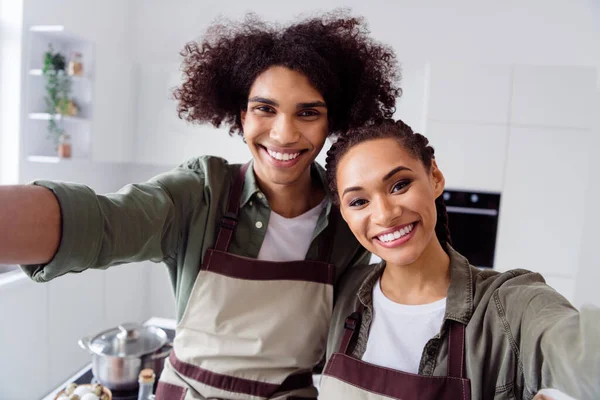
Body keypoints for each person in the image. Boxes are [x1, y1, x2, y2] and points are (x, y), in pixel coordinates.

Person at [0, 12, 401, 400]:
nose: (284, 133)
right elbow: (102, 222)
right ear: (241, 116)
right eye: (265, 108)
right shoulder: (201, 193)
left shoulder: (352, 217)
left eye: (308, 113)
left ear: (331, 123)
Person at [319, 119, 600, 400]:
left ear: (435, 178)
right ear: (344, 213)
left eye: (399, 185)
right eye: (358, 201)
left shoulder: (510, 306)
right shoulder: (343, 292)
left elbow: (578, 355)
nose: (384, 214)